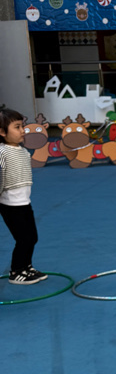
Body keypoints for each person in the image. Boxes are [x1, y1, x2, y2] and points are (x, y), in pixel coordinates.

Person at [0, 108, 47, 285]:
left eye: (22, 126)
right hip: (10, 205)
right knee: (23, 238)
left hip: (24, 202)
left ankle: (27, 267)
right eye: (17, 127)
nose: (23, 131)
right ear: (2, 132)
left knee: (32, 237)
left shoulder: (23, 151)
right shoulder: (2, 152)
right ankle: (16, 271)